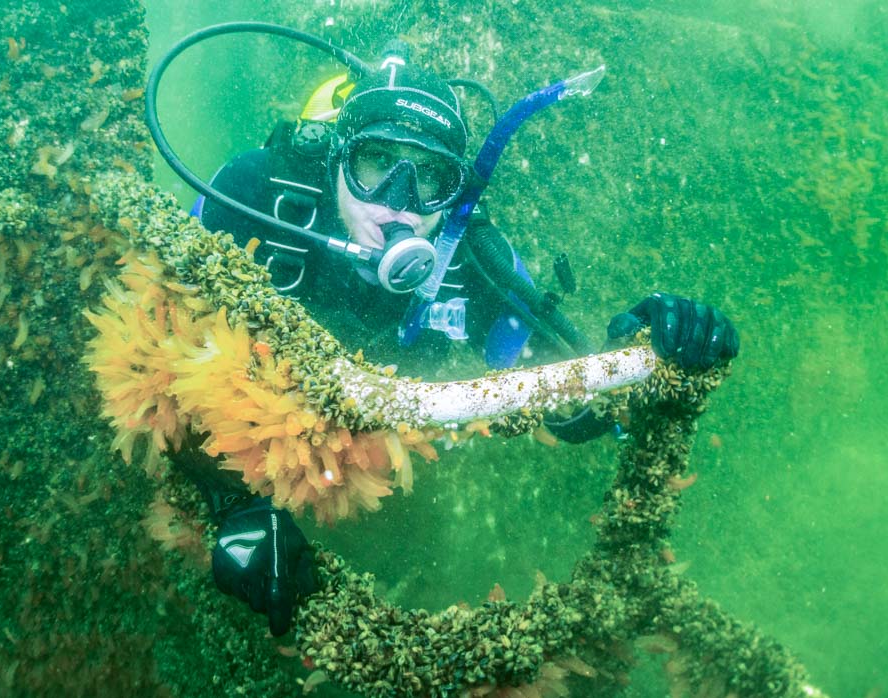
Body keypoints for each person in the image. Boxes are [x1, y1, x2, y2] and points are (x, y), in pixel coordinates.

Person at [175, 49, 739, 636]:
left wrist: (639, 349)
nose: (399, 202)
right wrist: (231, 502)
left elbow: (567, 400)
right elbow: (158, 349)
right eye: (376, 162)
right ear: (337, 157)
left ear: (454, 191)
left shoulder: (471, 257)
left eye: (430, 177)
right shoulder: (256, 195)